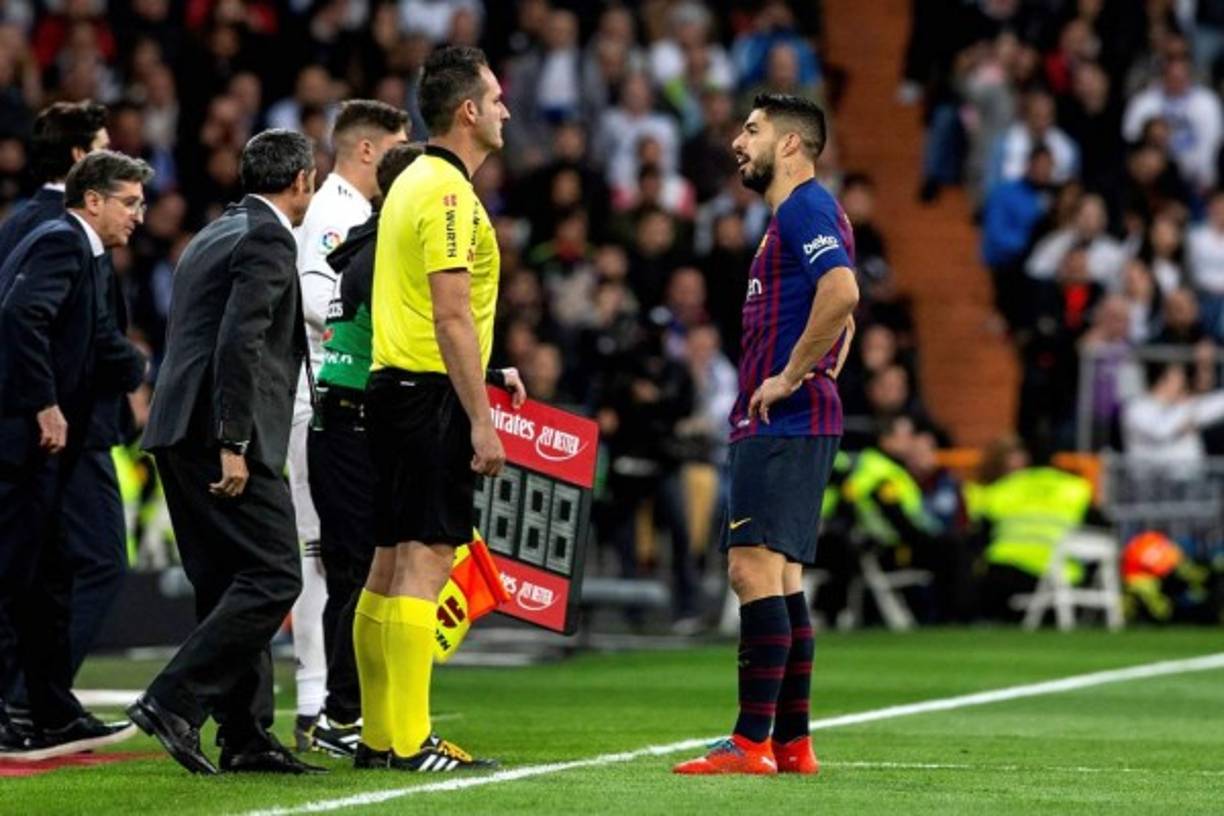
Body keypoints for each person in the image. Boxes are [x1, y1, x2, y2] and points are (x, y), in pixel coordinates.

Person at [129, 130, 324, 777]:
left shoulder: (214, 233)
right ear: (300, 180)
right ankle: (172, 701)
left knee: (226, 583)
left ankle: (244, 735)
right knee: (275, 576)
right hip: (222, 435)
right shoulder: (269, 237)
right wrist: (235, 441)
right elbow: (240, 343)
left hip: (177, 429)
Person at [674, 93, 858, 776]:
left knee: (751, 570)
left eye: (751, 131)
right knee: (780, 577)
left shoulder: (805, 207)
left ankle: (750, 742)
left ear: (790, 145)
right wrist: (822, 354)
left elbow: (842, 293)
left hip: (783, 418)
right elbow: (842, 302)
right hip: (801, 421)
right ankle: (792, 742)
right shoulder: (810, 212)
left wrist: (787, 375)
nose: (737, 143)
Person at [355, 45, 524, 773]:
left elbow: (431, 309)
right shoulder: (449, 193)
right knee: (425, 560)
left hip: (393, 387)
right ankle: (413, 741)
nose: (505, 110)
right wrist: (481, 417)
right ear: (468, 112)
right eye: (495, 99)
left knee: (389, 564)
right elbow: (451, 315)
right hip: (428, 397)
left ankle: (377, 737)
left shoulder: (412, 181)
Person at [0, 151, 150, 759]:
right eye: (130, 202)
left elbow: (81, 337)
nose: (139, 215)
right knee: (15, 575)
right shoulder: (63, 242)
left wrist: (132, 365)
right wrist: (44, 403)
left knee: (49, 579)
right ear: (94, 200)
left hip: (51, 447)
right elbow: (19, 315)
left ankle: (50, 709)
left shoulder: (80, 250)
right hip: (25, 441)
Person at [289, 99, 408, 756]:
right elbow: (316, 298)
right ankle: (320, 703)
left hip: (343, 398)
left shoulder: (357, 212)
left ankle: (335, 702)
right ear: (368, 150)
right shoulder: (335, 213)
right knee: (330, 561)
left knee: (343, 561)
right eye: (397, 144)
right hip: (324, 402)